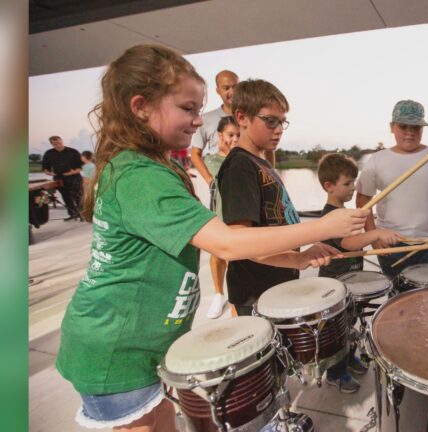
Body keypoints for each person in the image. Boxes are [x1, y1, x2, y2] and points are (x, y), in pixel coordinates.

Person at [55, 44, 368, 432]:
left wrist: (297, 259)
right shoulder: (138, 176)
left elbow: (229, 243)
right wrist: (324, 226)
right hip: (115, 346)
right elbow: (227, 243)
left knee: (165, 419)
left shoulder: (157, 166)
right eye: (188, 109)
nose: (197, 121)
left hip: (145, 342)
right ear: (140, 106)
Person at [217, 79, 321, 317]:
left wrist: (302, 253)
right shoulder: (240, 166)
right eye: (270, 121)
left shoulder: (260, 161)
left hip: (276, 285)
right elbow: (242, 242)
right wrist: (298, 259)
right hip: (257, 294)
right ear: (242, 118)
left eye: (282, 122)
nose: (279, 129)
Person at [316, 152, 401, 392]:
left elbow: (355, 245)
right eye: (347, 184)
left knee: (350, 323)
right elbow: (347, 244)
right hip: (334, 284)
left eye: (354, 182)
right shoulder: (330, 216)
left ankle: (348, 357)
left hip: (350, 280)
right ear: (329, 186)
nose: (353, 188)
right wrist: (375, 234)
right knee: (337, 330)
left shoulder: (344, 212)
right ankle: (335, 372)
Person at [356, 100, 428, 279]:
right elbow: (363, 199)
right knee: (397, 296)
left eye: (416, 127)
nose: (410, 132)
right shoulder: (377, 160)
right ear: (392, 127)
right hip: (390, 244)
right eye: (403, 126)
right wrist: (373, 236)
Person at [204, 115, 239, 318]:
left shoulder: (242, 158)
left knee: (236, 262)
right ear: (219, 135)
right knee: (217, 255)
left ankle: (234, 305)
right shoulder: (212, 160)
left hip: (236, 216)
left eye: (238, 135)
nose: (234, 139)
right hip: (219, 213)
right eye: (230, 135)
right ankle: (218, 294)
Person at [189, 70, 239, 187]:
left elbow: (267, 150)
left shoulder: (251, 117)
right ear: (218, 90)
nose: (232, 92)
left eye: (235, 87)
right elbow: (195, 154)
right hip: (221, 188)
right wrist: (210, 181)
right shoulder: (205, 120)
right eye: (226, 88)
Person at [42, 135, 83, 221]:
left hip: (74, 178)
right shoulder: (48, 153)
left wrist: (73, 172)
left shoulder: (73, 151)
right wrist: (49, 173)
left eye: (59, 142)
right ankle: (73, 214)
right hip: (59, 179)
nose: (58, 145)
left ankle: (83, 214)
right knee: (66, 197)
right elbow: (45, 168)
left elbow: (81, 166)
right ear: (52, 144)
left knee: (79, 196)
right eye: (55, 143)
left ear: (62, 141)